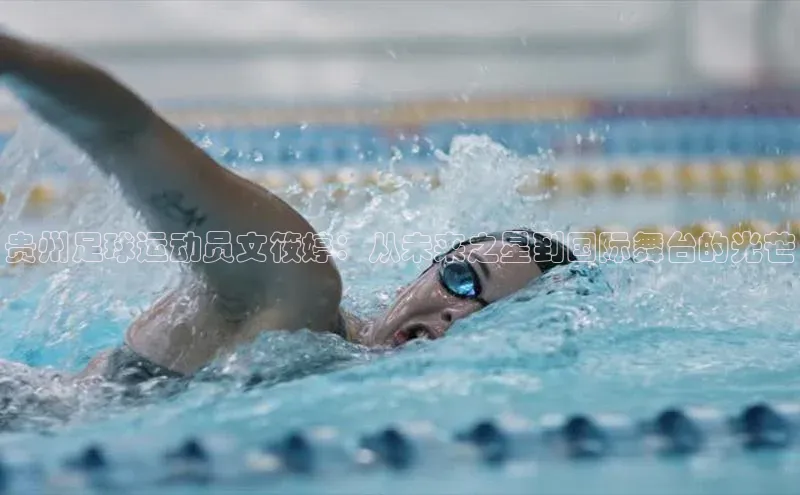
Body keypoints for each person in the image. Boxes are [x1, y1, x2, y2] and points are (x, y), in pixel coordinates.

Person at [0, 31, 576, 386]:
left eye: (497, 316)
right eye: (461, 280)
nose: (460, 314)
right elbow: (127, 137)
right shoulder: (296, 290)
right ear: (423, 271)